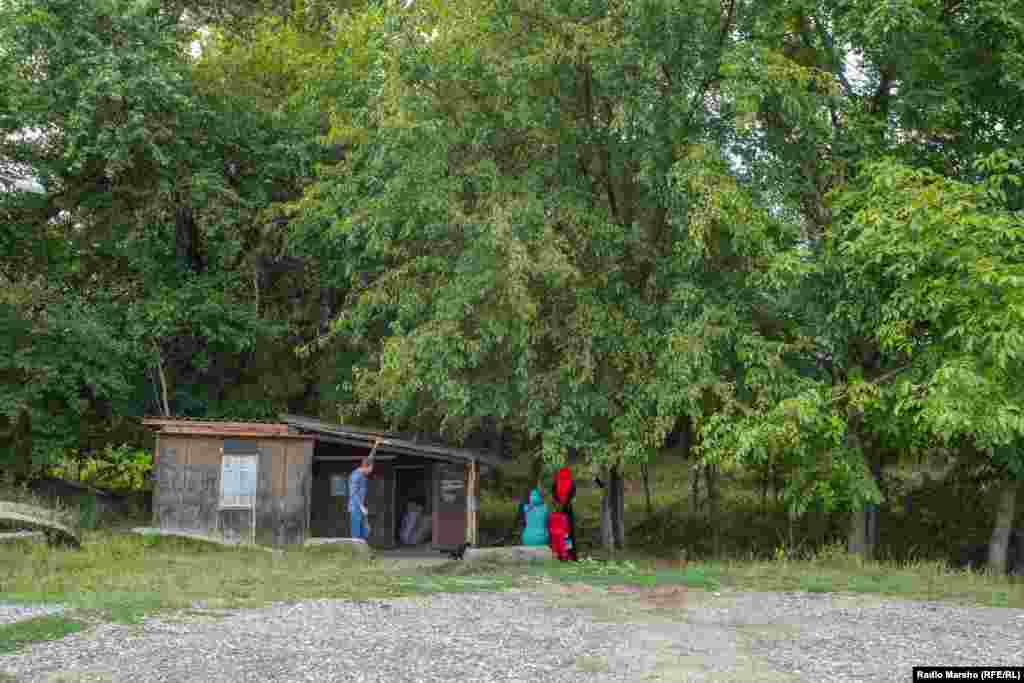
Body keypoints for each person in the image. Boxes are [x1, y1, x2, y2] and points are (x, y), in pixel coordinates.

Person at [551, 467, 578, 561]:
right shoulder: (572, 484)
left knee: (559, 533)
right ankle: (571, 554)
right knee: (569, 533)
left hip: (558, 511)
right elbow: (573, 496)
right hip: (568, 511)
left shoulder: (555, 484)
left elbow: (554, 496)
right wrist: (567, 502)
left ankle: (560, 554)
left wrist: (559, 503)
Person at [349, 457, 373, 541]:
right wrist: (361, 506)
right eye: (371, 468)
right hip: (356, 507)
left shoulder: (364, 476)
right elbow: (353, 493)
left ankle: (363, 550)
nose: (371, 470)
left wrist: (364, 506)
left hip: (362, 507)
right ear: (367, 467)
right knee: (356, 532)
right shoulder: (356, 475)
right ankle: (356, 550)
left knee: (366, 530)